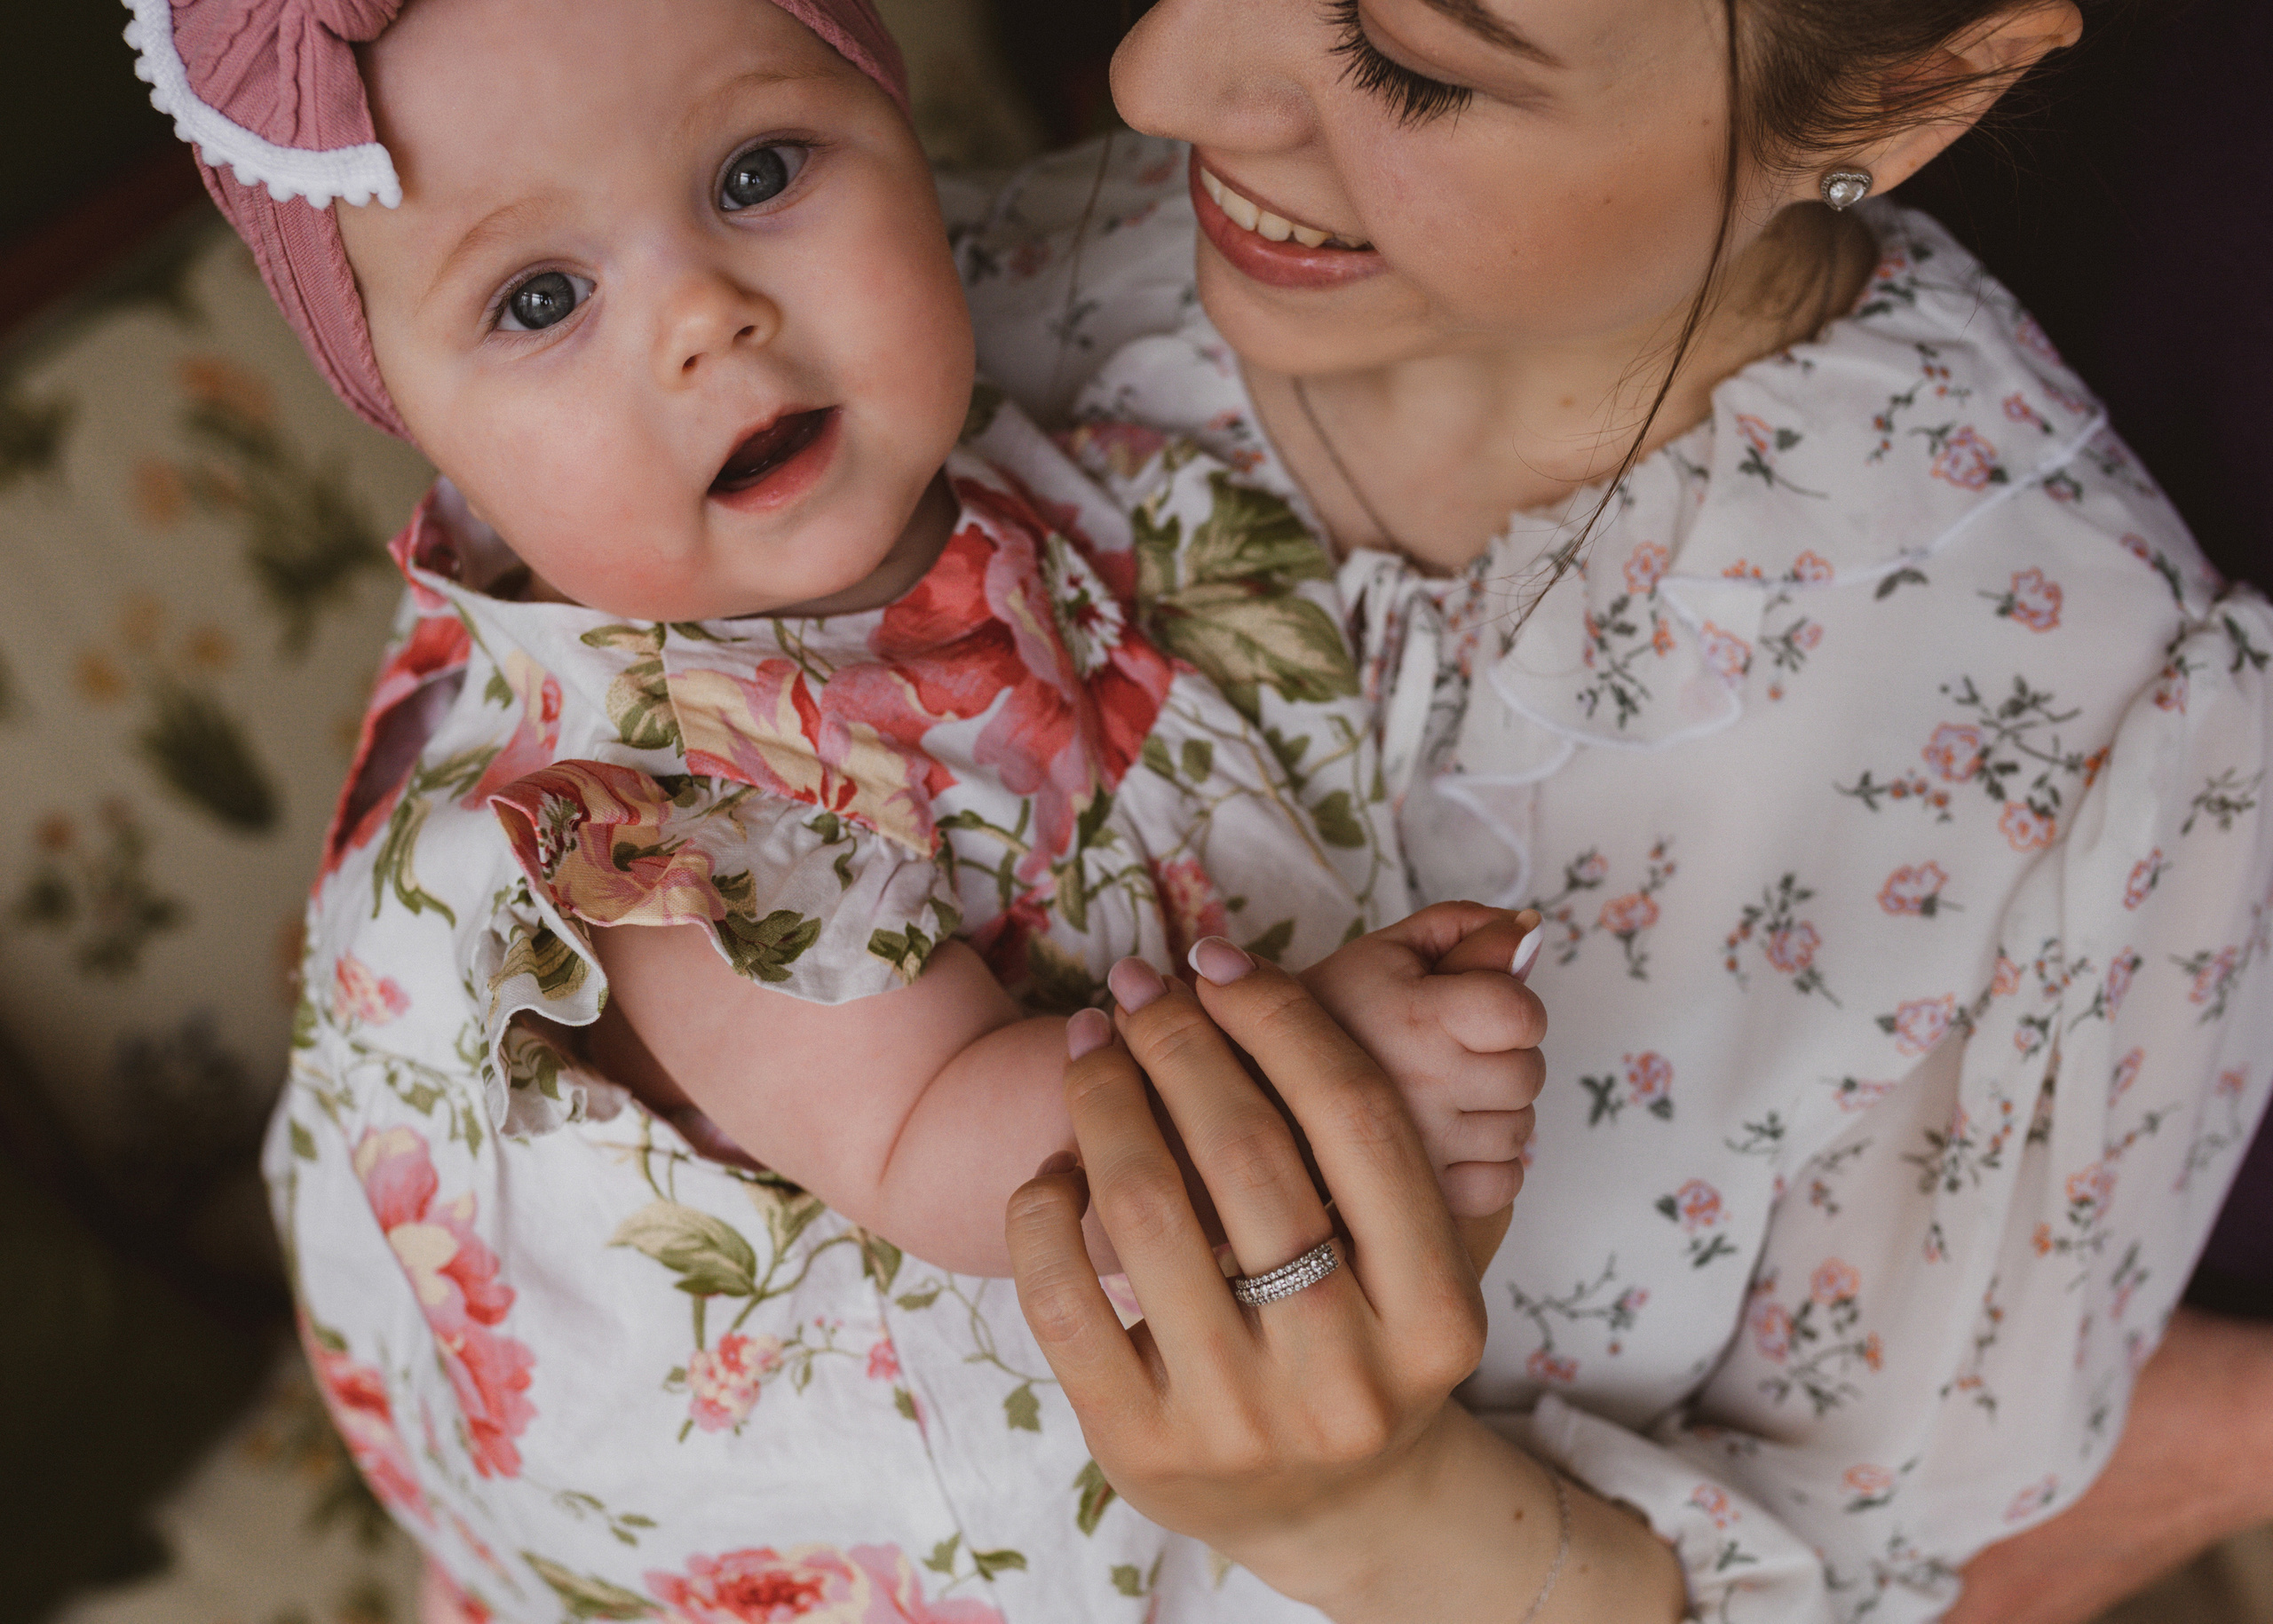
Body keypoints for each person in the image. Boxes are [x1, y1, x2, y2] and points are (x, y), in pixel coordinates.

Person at [126, 0, 1540, 1611]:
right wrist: (1318, 1065)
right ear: (416, 417)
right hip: (926, 1331)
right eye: (541, 297)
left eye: (758, 171)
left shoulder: (1020, 417)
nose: (707, 317)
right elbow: (940, 1141)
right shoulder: (649, 824)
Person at [966, 0, 2273, 1619]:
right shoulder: (942, 290)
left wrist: (1364, 1510)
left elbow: (1851, 1580)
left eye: (1412, 60)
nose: (1153, 78)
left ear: (1913, 94)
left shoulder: (2077, 747)